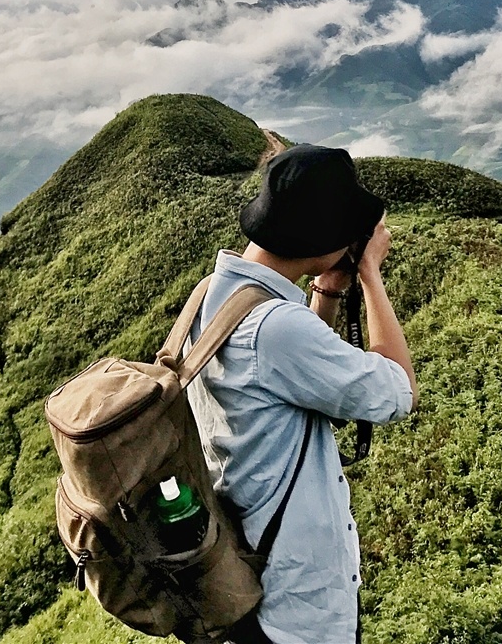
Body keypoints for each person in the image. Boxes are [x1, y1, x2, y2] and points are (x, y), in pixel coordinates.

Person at [183, 142, 418, 644]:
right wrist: (371, 277)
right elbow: (398, 392)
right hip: (294, 610)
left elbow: (287, 379)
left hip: (240, 576)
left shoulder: (211, 296)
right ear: (324, 239)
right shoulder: (275, 328)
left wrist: (327, 290)